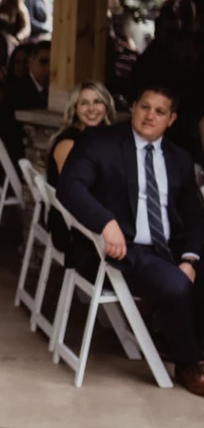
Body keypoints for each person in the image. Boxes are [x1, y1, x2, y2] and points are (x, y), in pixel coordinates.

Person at [58, 85, 204, 397]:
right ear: (134, 107)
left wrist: (190, 258)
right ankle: (189, 363)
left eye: (160, 112)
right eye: (145, 107)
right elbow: (70, 187)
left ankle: (177, 338)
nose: (150, 116)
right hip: (125, 248)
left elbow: (194, 215)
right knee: (177, 285)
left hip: (171, 247)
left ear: (172, 119)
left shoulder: (178, 158)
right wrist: (105, 222)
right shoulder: (100, 141)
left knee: (187, 275)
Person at [47, 81, 116, 187]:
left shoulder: (106, 137)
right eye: (84, 103)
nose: (91, 108)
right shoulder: (68, 143)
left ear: (106, 107)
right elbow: (74, 191)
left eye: (97, 102)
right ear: (75, 108)